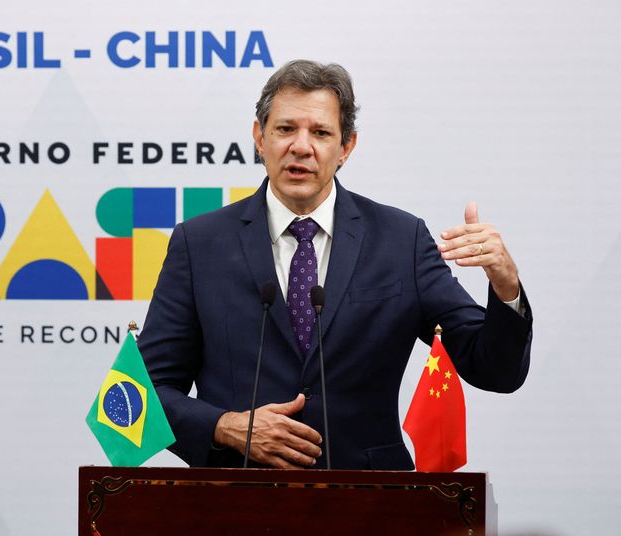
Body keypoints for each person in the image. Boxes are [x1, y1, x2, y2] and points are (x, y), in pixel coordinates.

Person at [137, 60, 531, 470]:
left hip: (371, 505)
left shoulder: (400, 240)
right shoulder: (200, 244)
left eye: (321, 133)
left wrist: (506, 286)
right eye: (286, 129)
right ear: (259, 136)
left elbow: (494, 371)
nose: (301, 147)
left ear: (346, 147)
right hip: (237, 501)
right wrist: (225, 426)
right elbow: (141, 395)